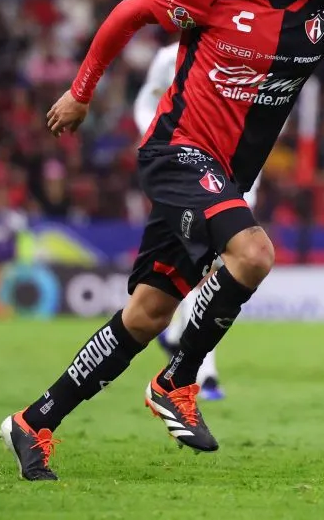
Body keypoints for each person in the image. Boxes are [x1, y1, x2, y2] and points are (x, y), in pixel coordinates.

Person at [0, 0, 324, 481]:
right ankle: (177, 382)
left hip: (222, 177)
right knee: (253, 254)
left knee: (146, 314)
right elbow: (129, 13)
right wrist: (81, 93)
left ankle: (33, 422)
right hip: (176, 152)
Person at [133, 41, 228, 401]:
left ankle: (175, 339)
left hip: (236, 167)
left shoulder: (251, 47)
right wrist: (160, 141)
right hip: (184, 169)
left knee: (221, 266)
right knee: (208, 264)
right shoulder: (167, 57)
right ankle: (204, 373)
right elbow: (146, 103)